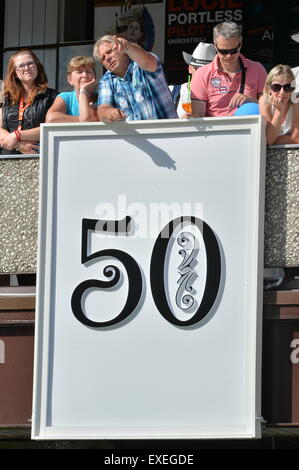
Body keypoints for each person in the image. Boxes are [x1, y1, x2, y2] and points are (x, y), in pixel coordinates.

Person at [94, 35, 177, 122]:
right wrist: (109, 113)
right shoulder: (106, 80)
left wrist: (128, 46)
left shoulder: (142, 64)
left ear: (121, 49)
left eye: (109, 52)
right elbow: (102, 110)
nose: (107, 58)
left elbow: (146, 61)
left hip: (165, 133)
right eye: (103, 58)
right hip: (133, 135)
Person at [191, 21, 267, 118]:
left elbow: (270, 108)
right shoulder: (202, 74)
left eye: (233, 51)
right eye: (223, 51)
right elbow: (198, 119)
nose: (228, 56)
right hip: (215, 131)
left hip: (250, 130)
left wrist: (252, 101)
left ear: (241, 43)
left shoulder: (257, 69)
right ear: (215, 46)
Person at [0, 49, 57, 154]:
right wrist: (19, 145)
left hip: (39, 155)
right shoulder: (7, 98)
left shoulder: (52, 96)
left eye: (30, 63)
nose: (27, 68)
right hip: (8, 160)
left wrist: (17, 135)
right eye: (21, 66)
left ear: (37, 66)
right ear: (15, 73)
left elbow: (53, 128)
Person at [169, 42, 216, 118]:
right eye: (197, 69)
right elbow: (158, 122)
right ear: (190, 68)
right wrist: (180, 123)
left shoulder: (220, 96)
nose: (202, 74)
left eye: (206, 70)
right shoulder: (171, 91)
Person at [46, 56, 98, 123]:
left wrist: (83, 91)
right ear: (70, 79)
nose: (85, 75)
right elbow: (51, 119)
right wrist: (84, 119)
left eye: (88, 71)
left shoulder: (102, 97)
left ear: (95, 77)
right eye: (79, 72)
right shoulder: (66, 97)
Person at [259, 64, 299, 145]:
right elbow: (269, 140)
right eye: (276, 87)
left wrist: (274, 139)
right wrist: (279, 111)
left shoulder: (296, 101)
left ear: (293, 88)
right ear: (268, 88)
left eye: (287, 87)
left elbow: (296, 139)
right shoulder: (264, 101)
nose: (282, 92)